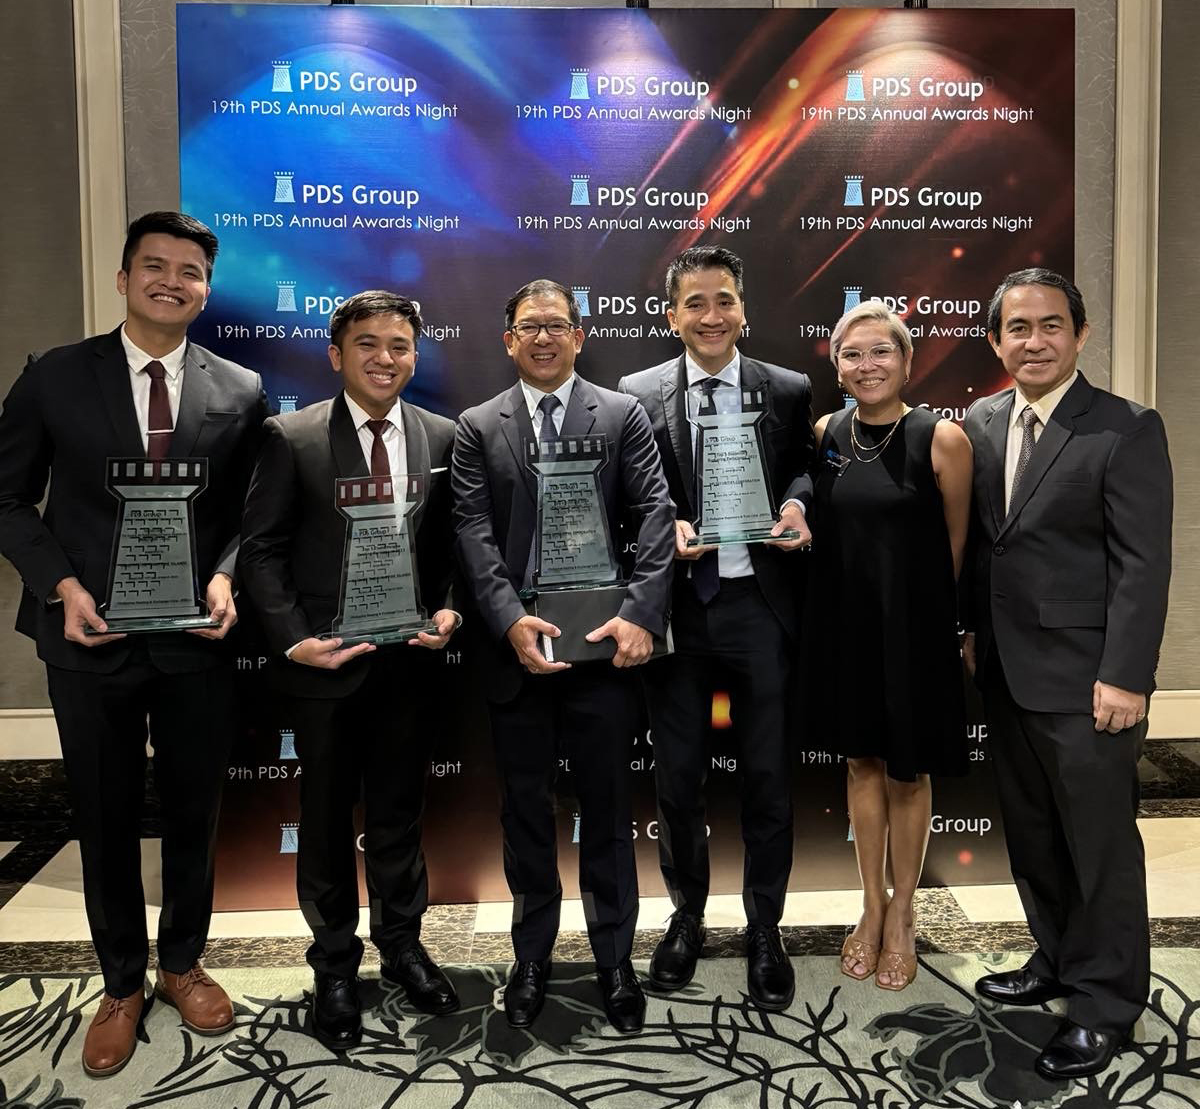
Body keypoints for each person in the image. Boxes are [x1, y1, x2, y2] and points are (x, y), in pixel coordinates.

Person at [0, 211, 269, 1076]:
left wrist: (226, 576)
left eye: (189, 271)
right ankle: (121, 982)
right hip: (89, 635)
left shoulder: (240, 386)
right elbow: (8, 497)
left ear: (205, 288)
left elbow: (247, 514)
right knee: (105, 813)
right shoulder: (54, 377)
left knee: (196, 810)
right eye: (154, 266)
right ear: (123, 279)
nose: (171, 281)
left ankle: (183, 961)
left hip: (196, 638)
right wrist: (61, 586)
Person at [963, 269, 1172, 1079]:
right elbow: (988, 545)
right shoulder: (981, 421)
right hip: (1007, 674)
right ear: (996, 340)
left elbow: (1143, 564)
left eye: (1052, 325)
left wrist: (1126, 675)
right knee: (1036, 837)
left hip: (1091, 683)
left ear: (1080, 335)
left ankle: (1106, 1002)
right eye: (1018, 328)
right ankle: (1053, 958)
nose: (1035, 341)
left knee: (1101, 848)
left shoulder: (1125, 427)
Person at [238, 291, 461, 1051]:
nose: (384, 358)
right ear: (336, 355)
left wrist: (451, 610)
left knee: (399, 818)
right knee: (327, 823)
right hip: (323, 668)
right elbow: (261, 551)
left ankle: (402, 948)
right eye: (367, 344)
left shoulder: (442, 435)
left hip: (408, 666)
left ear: (415, 354)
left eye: (400, 345)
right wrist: (293, 639)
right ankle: (335, 963)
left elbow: (457, 549)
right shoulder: (289, 436)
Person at [451, 279, 674, 1034]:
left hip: (602, 651)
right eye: (528, 327)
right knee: (525, 818)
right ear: (508, 340)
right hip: (517, 654)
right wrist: (510, 621)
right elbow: (474, 537)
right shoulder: (479, 426)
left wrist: (641, 614)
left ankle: (616, 961)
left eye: (556, 325)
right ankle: (533, 958)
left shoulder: (621, 413)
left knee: (610, 816)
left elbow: (654, 514)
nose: (543, 337)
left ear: (580, 335)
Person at [618, 246, 814, 1011]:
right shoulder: (636, 392)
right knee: (678, 782)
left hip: (760, 609)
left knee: (768, 779)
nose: (710, 316)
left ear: (744, 309)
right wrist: (665, 525)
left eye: (723, 300)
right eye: (694, 303)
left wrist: (798, 504)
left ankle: (766, 927)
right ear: (671, 316)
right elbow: (627, 492)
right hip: (680, 612)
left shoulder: (787, 387)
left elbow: (802, 465)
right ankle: (687, 918)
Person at [808, 301, 973, 991]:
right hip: (845, 630)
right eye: (853, 354)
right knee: (860, 768)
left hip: (916, 632)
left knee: (908, 774)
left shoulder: (942, 439)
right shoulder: (824, 431)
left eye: (881, 351)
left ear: (907, 362)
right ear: (837, 364)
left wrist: (947, 630)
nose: (866, 365)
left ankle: (904, 911)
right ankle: (869, 905)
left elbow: (958, 550)